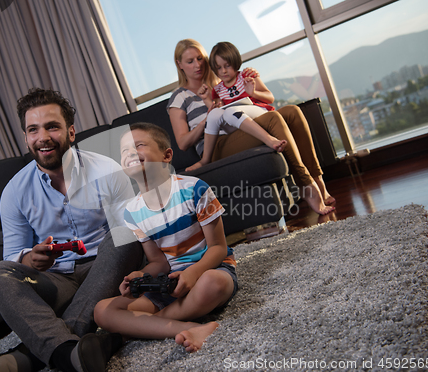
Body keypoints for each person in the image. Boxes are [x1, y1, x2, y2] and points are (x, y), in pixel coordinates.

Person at [0, 88, 144, 372]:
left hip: (107, 269)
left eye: (52, 127)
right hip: (56, 280)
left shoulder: (107, 169)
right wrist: (31, 259)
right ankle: (72, 352)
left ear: (70, 132)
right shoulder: (14, 192)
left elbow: (132, 232)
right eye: (33, 129)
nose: (42, 137)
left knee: (125, 236)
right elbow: (12, 256)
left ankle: (39, 353)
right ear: (26, 138)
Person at [93, 122, 238, 353]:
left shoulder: (195, 189)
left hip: (208, 272)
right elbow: (158, 262)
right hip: (167, 285)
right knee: (103, 310)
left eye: (138, 146)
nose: (130, 153)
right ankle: (189, 327)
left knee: (213, 283)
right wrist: (139, 276)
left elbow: (219, 248)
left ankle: (142, 328)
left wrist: (192, 273)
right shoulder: (131, 212)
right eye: (124, 151)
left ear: (166, 155)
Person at [167, 39, 335, 215]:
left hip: (241, 128)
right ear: (179, 64)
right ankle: (307, 187)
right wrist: (206, 120)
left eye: (200, 59)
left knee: (292, 111)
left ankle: (318, 180)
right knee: (273, 119)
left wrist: (253, 79)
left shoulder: (220, 82)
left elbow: (245, 104)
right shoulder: (180, 97)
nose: (198, 65)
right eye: (190, 61)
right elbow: (183, 143)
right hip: (216, 145)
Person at [186, 41, 287, 172]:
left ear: (235, 62)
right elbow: (217, 112)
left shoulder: (246, 75)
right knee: (215, 114)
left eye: (227, 66)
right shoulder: (217, 89)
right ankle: (205, 160)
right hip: (237, 121)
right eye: (219, 68)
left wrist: (253, 93)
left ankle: (270, 140)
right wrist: (206, 99)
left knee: (229, 112)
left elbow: (270, 98)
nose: (223, 71)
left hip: (258, 112)